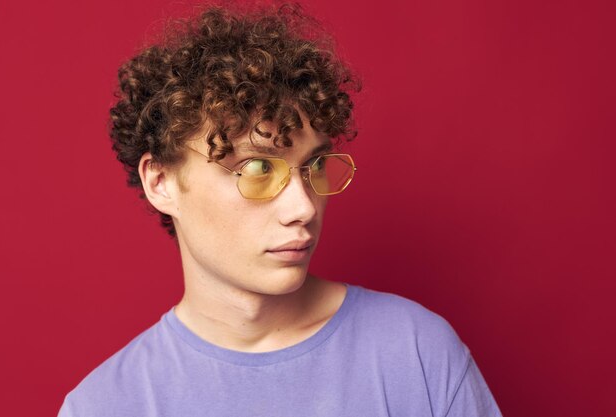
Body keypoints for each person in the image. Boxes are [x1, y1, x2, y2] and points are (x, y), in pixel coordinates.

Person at [59, 4, 502, 417]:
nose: (303, 207)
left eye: (313, 166)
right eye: (256, 168)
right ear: (161, 182)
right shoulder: (103, 405)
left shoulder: (418, 352)